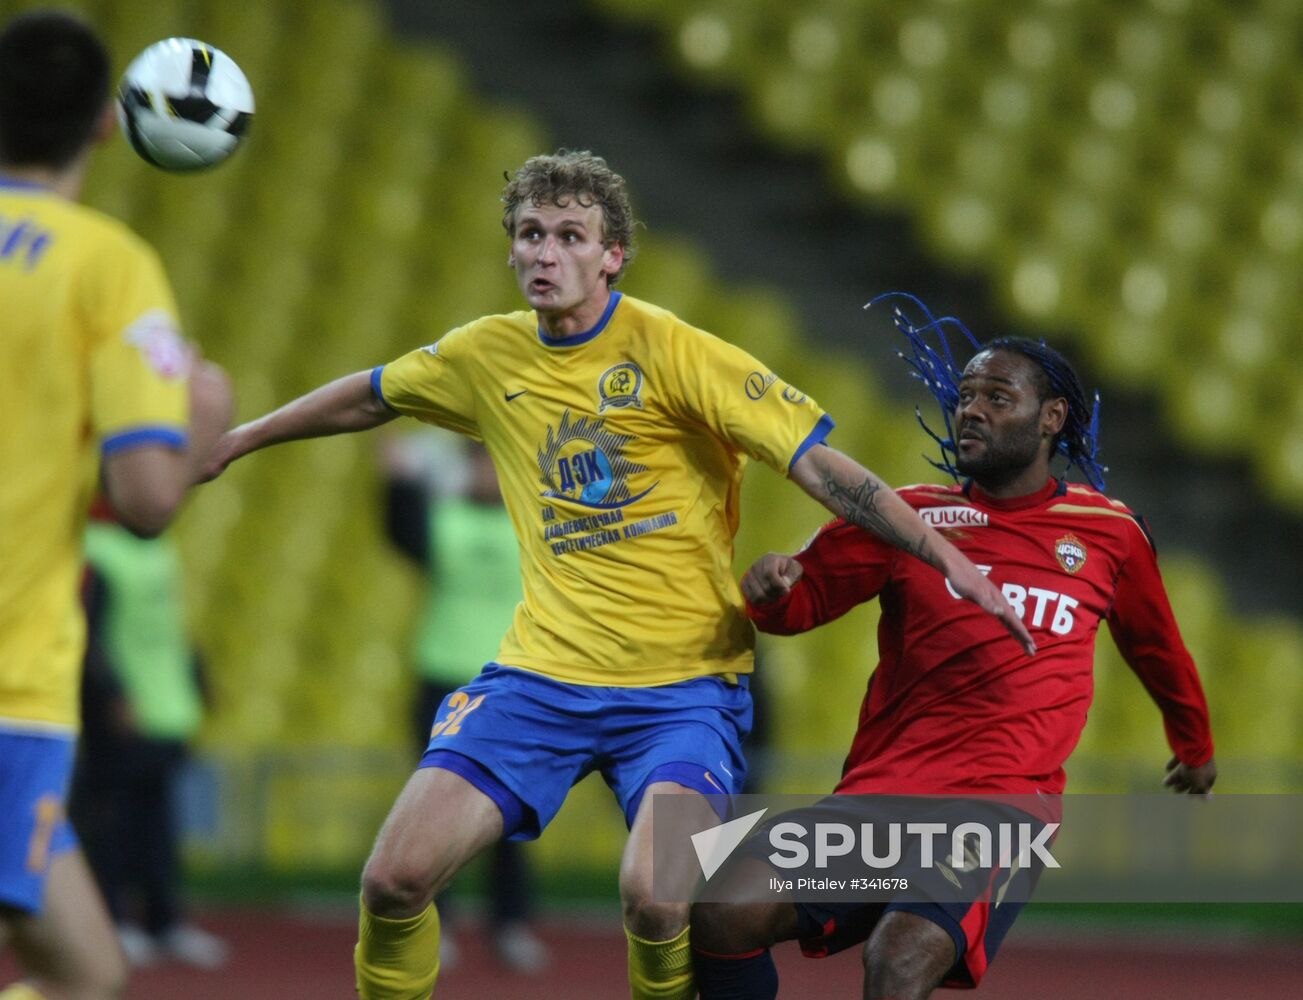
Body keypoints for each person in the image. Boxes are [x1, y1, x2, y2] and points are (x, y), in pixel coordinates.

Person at [203, 151, 1032, 1000]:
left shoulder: (677, 353)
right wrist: (237, 442)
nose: (545, 253)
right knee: (392, 880)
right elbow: (372, 395)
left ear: (612, 256)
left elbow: (820, 468)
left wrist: (945, 556)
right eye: (530, 235)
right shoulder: (485, 357)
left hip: (683, 693)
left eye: (569, 236)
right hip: (539, 680)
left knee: (656, 896)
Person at [689, 296, 1217, 1000]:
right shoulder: (909, 517)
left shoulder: (1108, 532)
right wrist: (772, 590)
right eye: (965, 396)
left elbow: (1156, 649)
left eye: (998, 397)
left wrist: (1195, 745)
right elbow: (800, 603)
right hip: (879, 797)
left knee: (896, 963)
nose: (971, 410)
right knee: (720, 911)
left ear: (1050, 418)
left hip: (998, 807)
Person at [0, 11, 233, 1000]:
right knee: (85, 973)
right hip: (10, 684)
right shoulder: (109, 266)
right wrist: (204, 429)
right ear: (107, 124)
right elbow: (143, 499)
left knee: (83, 961)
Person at [382, 436, 548, 973]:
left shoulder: (534, 527)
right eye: (479, 463)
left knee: (511, 813)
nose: (486, 474)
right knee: (435, 815)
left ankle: (510, 923)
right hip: (444, 681)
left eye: (495, 464)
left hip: (511, 684)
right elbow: (400, 532)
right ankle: (436, 920)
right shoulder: (444, 518)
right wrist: (397, 481)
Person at [70, 509, 229, 970]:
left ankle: (164, 921)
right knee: (110, 823)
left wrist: (197, 678)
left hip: (165, 709)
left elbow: (171, 626)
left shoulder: (161, 547)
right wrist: (112, 693)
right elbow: (86, 632)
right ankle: (112, 921)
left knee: (158, 821)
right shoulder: (97, 550)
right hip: (120, 714)